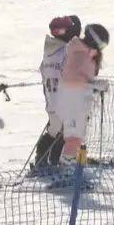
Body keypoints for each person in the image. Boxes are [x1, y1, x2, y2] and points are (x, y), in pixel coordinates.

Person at [54, 23, 109, 174]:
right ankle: (67, 169)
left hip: (77, 100)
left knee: (77, 137)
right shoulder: (80, 54)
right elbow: (73, 80)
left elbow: (81, 79)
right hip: (72, 101)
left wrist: (94, 86)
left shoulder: (84, 53)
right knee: (74, 137)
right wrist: (94, 86)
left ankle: (74, 167)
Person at [33, 15, 82, 175]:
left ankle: (47, 161)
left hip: (53, 101)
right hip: (63, 101)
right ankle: (63, 164)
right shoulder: (65, 51)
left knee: (55, 131)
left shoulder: (49, 52)